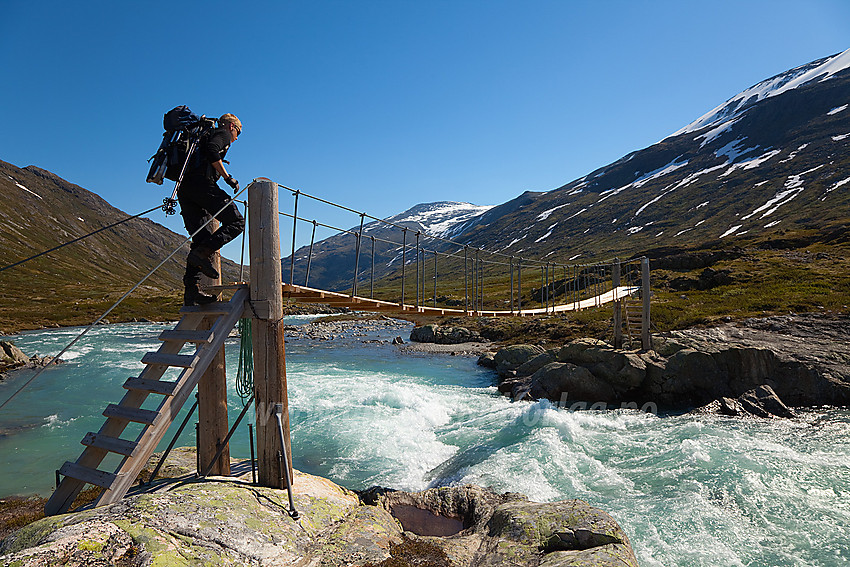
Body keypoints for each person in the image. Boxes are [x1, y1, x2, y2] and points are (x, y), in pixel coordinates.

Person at [178, 113, 245, 306]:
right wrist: (227, 177)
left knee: (200, 238)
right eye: (238, 132)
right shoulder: (221, 134)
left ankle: (192, 293)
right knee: (237, 222)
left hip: (185, 189)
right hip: (201, 185)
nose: (237, 137)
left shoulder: (200, 137)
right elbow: (212, 150)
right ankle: (201, 255)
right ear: (231, 126)